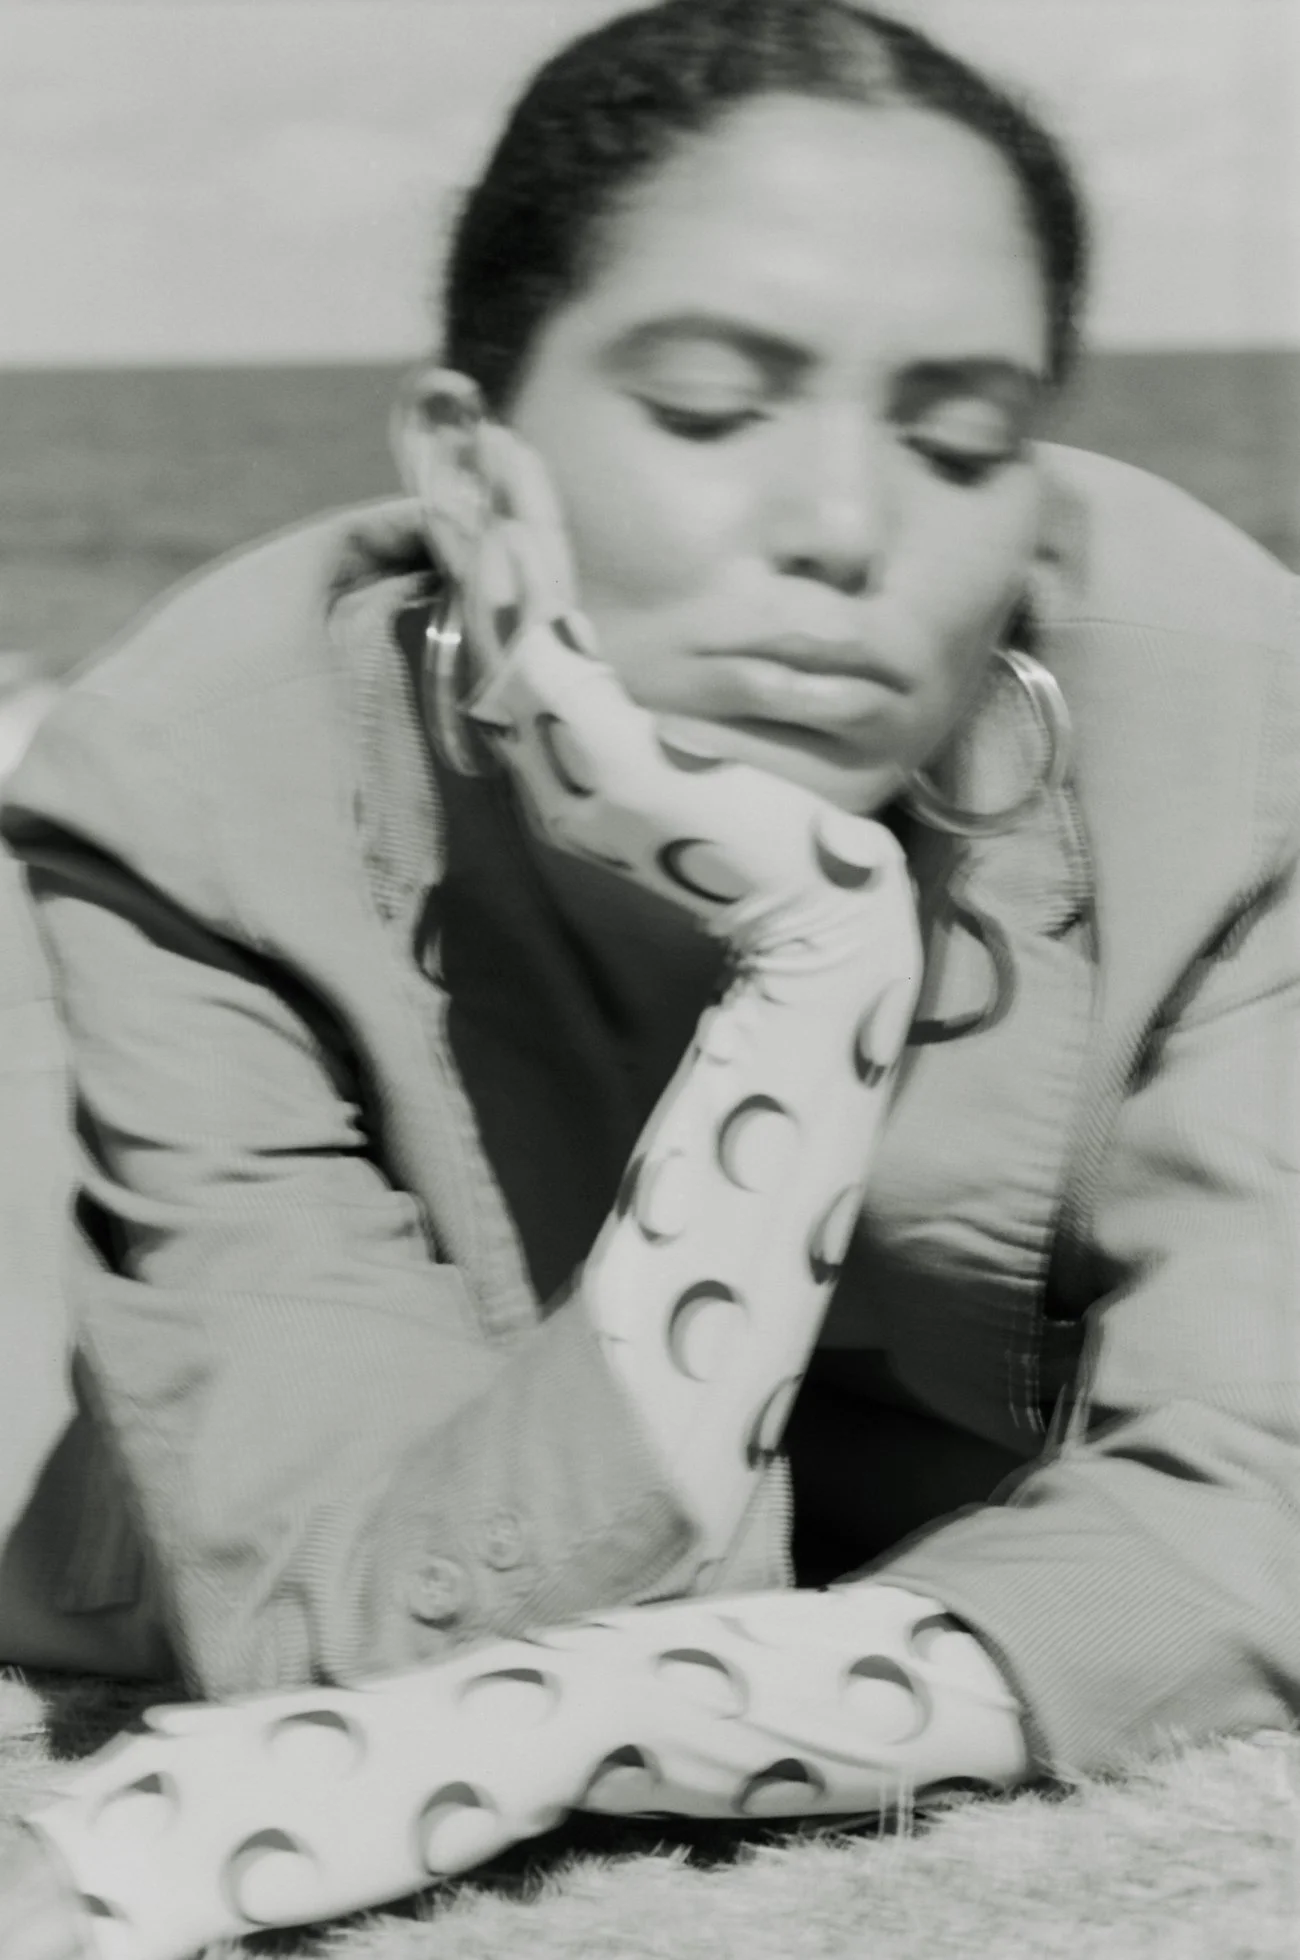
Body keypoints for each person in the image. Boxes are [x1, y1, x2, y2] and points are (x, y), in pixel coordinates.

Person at [0, 0, 1296, 1952]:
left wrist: (576, 1719)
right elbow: (360, 1618)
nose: (844, 528)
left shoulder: (1228, 733)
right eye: (703, 410)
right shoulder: (202, 802)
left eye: (959, 440)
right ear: (469, 466)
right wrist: (813, 967)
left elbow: (1258, 1515)